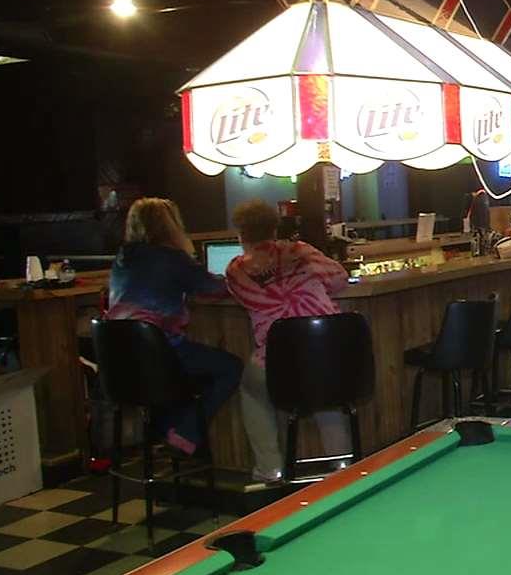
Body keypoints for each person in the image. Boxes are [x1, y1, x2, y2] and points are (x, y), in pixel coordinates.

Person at [224, 199, 351, 484]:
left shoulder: (235, 270)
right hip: (325, 355)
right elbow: (340, 278)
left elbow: (241, 296)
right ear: (275, 226)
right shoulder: (299, 251)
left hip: (276, 365)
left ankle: (270, 469)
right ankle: (343, 464)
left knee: (252, 389)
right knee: (325, 395)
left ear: (241, 234)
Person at [106, 198, 241, 456]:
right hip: (158, 354)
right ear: (170, 226)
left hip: (121, 361)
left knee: (179, 385)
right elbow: (215, 289)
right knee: (231, 368)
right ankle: (184, 435)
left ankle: (170, 436)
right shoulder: (171, 258)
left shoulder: (122, 258)